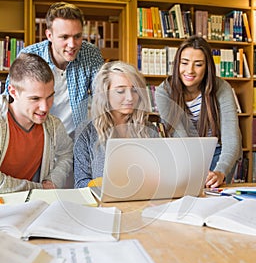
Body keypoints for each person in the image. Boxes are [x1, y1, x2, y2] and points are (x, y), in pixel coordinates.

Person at [5, 1, 104, 136]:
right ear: (49, 35)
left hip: (75, 138)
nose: (72, 44)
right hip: (37, 135)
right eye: (64, 37)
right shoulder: (29, 55)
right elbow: (8, 99)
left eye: (77, 36)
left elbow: (101, 96)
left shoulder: (91, 54)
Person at [155, 35, 242, 188]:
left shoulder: (222, 88)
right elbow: (181, 137)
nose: (190, 70)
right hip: (184, 152)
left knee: (214, 195)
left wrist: (220, 172)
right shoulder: (164, 92)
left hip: (218, 152)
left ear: (207, 66)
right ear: (177, 64)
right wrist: (195, 171)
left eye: (198, 64)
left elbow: (231, 138)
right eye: (185, 63)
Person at [74, 60, 159, 188]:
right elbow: (80, 183)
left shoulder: (149, 130)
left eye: (135, 90)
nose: (130, 97)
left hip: (143, 204)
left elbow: (160, 177)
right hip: (102, 206)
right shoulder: (87, 131)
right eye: (120, 91)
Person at [0, 53, 73, 193]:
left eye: (50, 96)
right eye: (35, 99)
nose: (45, 107)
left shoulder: (54, 125)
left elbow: (66, 154)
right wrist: (39, 188)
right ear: (13, 92)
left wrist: (53, 181)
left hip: (31, 204)